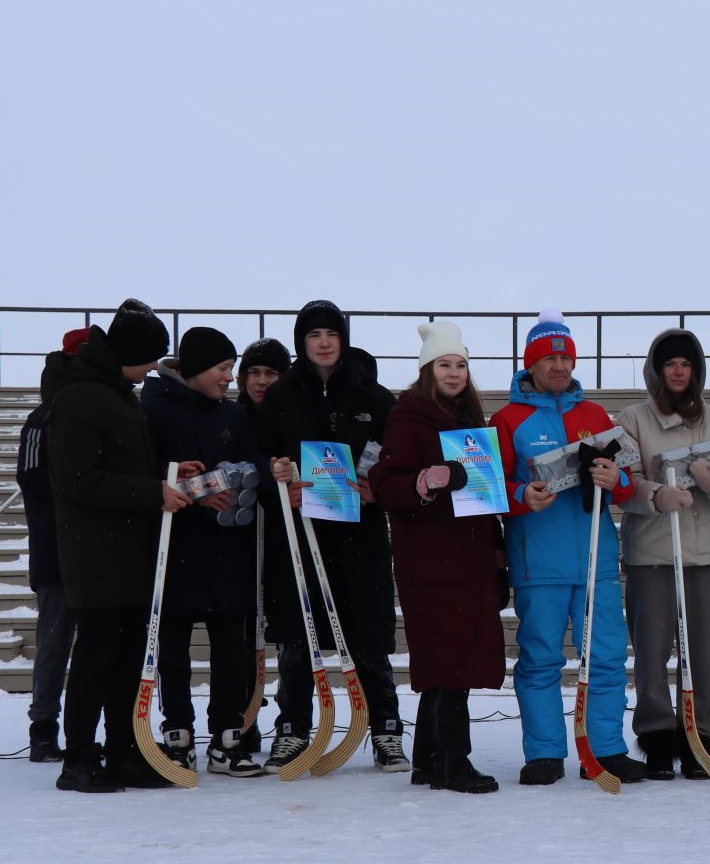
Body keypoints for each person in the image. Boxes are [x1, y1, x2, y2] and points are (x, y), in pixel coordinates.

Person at [489, 310, 646, 786]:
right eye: (549, 357)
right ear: (530, 364)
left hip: (595, 559)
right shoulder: (508, 418)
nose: (559, 365)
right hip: (540, 562)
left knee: (605, 656)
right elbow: (492, 488)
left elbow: (624, 486)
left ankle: (606, 748)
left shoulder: (596, 415)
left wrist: (614, 478)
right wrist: (521, 497)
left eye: (565, 357)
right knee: (539, 659)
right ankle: (544, 752)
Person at [259, 300, 407, 774]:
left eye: (332, 334)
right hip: (301, 536)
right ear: (302, 342)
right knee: (298, 637)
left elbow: (393, 461)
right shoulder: (281, 396)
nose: (323, 342)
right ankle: (294, 728)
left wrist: (374, 489)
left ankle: (385, 728)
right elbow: (262, 460)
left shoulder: (374, 396)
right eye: (313, 335)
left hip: (359, 537)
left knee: (367, 636)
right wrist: (278, 478)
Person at [45, 298, 185, 792]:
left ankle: (127, 750)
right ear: (128, 353)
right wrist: (153, 493)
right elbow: (76, 478)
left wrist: (170, 477)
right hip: (97, 555)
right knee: (96, 658)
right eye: (149, 358)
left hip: (129, 551)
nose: (153, 369)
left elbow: (123, 466)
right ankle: (79, 757)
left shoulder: (120, 394)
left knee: (129, 659)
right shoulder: (83, 397)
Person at [370, 322, 508, 794]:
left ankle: (429, 759)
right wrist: (423, 483)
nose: (454, 373)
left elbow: (486, 498)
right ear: (428, 371)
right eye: (445, 365)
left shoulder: (470, 421)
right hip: (431, 562)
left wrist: (496, 552)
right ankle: (454, 761)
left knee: (453, 660)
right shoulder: (409, 419)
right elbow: (387, 487)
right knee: (450, 662)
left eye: (461, 365)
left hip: (469, 560)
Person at [615, 329, 710, 780]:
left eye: (685, 364)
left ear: (696, 371)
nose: (677, 371)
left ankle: (698, 735)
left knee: (699, 653)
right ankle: (655, 735)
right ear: (657, 369)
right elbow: (622, 482)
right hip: (652, 552)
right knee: (651, 650)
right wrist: (654, 495)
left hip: (704, 554)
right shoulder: (633, 419)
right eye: (669, 363)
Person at [139, 326, 265, 778]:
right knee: (172, 647)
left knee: (230, 646)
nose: (230, 378)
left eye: (231, 368)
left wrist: (251, 478)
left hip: (228, 548)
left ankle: (228, 738)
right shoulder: (152, 409)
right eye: (222, 368)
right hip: (174, 551)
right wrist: (190, 491)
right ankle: (178, 735)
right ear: (194, 369)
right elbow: (140, 471)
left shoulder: (231, 416)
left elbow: (253, 462)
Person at [17, 327, 89, 764]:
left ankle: (87, 728)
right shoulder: (41, 418)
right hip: (56, 550)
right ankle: (43, 727)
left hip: (97, 550)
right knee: (55, 642)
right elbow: (30, 480)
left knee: (93, 644)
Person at [236, 336, 291, 756]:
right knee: (242, 637)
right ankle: (242, 720)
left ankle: (289, 719)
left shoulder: (290, 417)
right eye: (253, 373)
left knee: (288, 634)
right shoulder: (231, 417)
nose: (261, 381)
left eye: (270, 373)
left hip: (284, 536)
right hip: (238, 536)